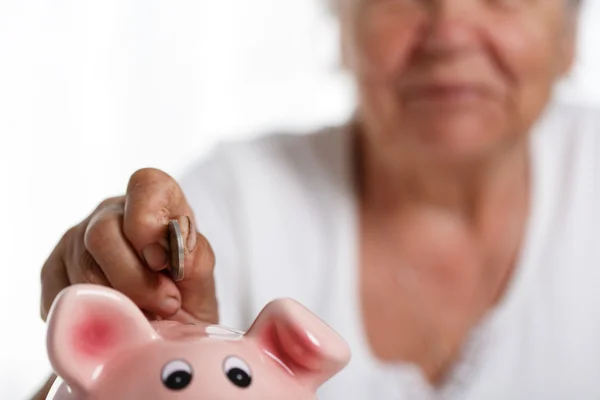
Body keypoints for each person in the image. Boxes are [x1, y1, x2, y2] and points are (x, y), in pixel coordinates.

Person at [34, 0, 599, 399]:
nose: (448, 30)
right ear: (342, 24)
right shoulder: (237, 198)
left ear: (571, 38)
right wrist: (129, 351)